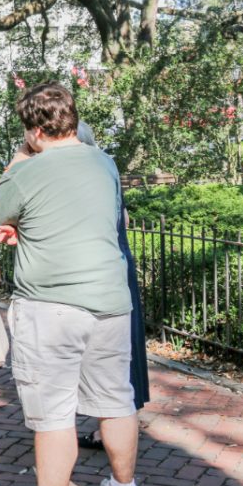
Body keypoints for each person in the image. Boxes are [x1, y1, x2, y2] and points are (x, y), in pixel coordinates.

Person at [0, 83, 139, 486]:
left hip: (50, 307)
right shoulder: (105, 163)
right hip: (110, 302)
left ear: (33, 130)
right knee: (116, 401)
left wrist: (18, 162)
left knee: (53, 416)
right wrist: (26, 228)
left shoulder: (28, 169)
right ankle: (123, 485)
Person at [74, 122, 151, 450]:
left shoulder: (77, 174)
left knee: (100, 355)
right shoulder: (107, 169)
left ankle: (111, 428)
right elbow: (125, 218)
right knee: (122, 349)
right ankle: (119, 423)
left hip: (96, 270)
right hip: (119, 264)